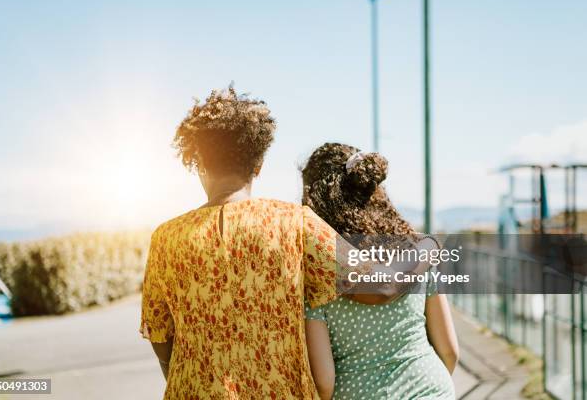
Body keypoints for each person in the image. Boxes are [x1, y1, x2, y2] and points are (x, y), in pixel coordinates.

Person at [140, 87, 385, 399]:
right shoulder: (294, 222)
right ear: (258, 165)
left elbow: (159, 333)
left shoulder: (166, 238)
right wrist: (424, 250)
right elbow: (375, 286)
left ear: (198, 162)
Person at [301, 143, 459, 400]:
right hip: (431, 388)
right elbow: (450, 351)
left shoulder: (317, 272)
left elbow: (324, 382)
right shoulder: (416, 254)